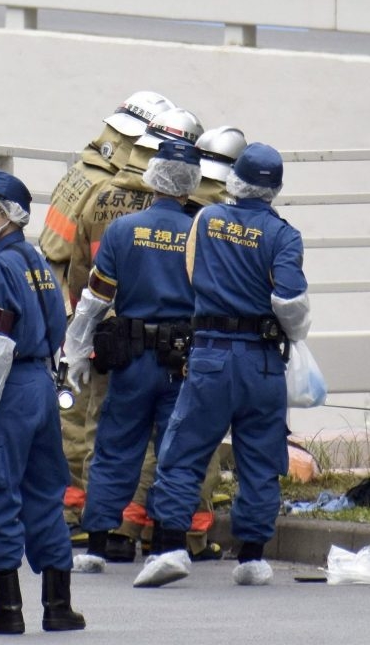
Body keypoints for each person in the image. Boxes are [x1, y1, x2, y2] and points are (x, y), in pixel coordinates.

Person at [135, 142, 311, 588]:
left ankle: (171, 544)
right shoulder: (284, 235)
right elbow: (289, 301)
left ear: (236, 179)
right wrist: (292, 332)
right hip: (263, 361)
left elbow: (192, 274)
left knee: (184, 450)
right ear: (275, 189)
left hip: (211, 354)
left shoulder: (207, 220)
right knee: (260, 458)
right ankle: (251, 556)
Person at [63, 106, 204, 562]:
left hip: (130, 358)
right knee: (176, 451)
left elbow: (94, 299)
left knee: (115, 446)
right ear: (191, 183)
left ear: (154, 176)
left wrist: (77, 352)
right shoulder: (202, 234)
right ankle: (168, 544)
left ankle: (100, 543)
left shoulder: (124, 230)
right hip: (183, 362)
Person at [104, 125, 249, 562]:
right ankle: (184, 537)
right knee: (185, 445)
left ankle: (120, 530)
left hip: (131, 348)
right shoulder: (215, 220)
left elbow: (94, 284)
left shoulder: (121, 208)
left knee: (124, 444)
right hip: (192, 352)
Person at [40, 92, 174, 540]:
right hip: (123, 326)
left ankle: (81, 511)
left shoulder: (85, 179)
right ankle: (126, 521)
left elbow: (75, 259)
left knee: (84, 421)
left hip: (76, 311)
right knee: (120, 428)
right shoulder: (154, 202)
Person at [0, 170, 85, 634]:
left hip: (8, 388)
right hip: (41, 387)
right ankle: (59, 606)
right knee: (45, 494)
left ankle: (7, 611)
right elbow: (59, 332)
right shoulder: (37, 262)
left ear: (9, 213)